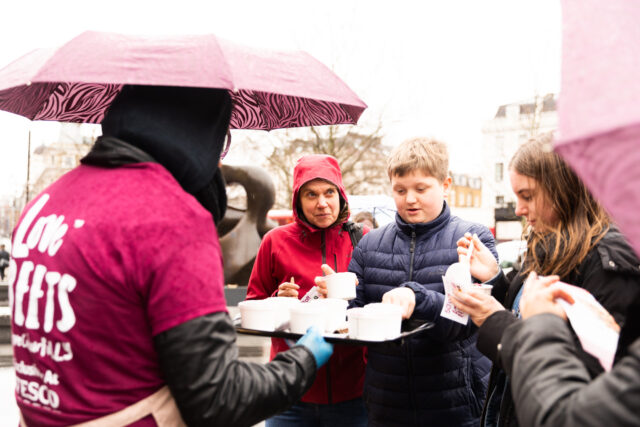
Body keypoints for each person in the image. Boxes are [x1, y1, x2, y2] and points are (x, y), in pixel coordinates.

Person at [9, 85, 333, 427]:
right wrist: (304, 359)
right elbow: (220, 398)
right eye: (220, 138)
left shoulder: (43, 204)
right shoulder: (171, 219)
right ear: (196, 134)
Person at [451, 134, 640, 427]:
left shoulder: (607, 261)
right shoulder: (547, 242)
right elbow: (522, 312)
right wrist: (495, 278)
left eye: (527, 196)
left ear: (564, 190)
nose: (518, 209)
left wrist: (495, 320)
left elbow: (592, 377)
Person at [347, 137, 498, 427]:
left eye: (421, 188)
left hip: (456, 406)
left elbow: (473, 320)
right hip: (387, 404)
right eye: (400, 190)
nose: (409, 199)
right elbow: (354, 318)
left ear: (446, 185)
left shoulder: (473, 240)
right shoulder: (369, 245)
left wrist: (419, 299)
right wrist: (331, 299)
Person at [246, 154, 368, 426]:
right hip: (289, 393)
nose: (322, 203)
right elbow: (253, 303)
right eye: (311, 194)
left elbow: (379, 305)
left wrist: (346, 297)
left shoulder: (364, 239)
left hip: (353, 394)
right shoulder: (275, 241)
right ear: (298, 201)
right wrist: (278, 301)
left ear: (341, 195)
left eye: (329, 192)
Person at [497, 273, 640, 427]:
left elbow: (566, 415)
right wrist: (497, 281)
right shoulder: (531, 268)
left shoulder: (606, 269)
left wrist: (541, 323)